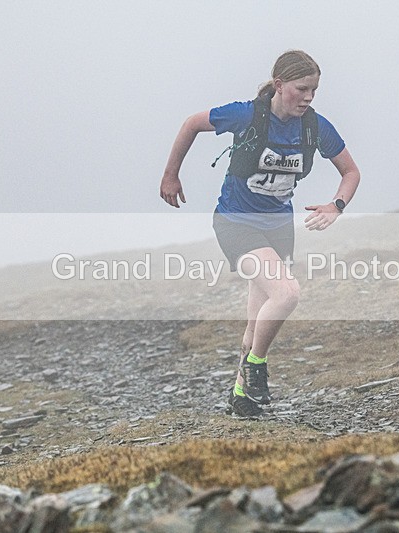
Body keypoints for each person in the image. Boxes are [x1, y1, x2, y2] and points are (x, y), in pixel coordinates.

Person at [160, 50, 360, 418]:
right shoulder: (246, 114)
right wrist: (171, 175)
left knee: (258, 319)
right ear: (280, 85)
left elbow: (351, 172)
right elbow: (191, 124)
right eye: (301, 89)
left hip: (279, 227)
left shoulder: (316, 127)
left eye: (314, 90)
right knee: (286, 294)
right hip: (236, 222)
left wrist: (337, 205)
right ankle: (256, 366)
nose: (309, 97)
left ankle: (241, 396)